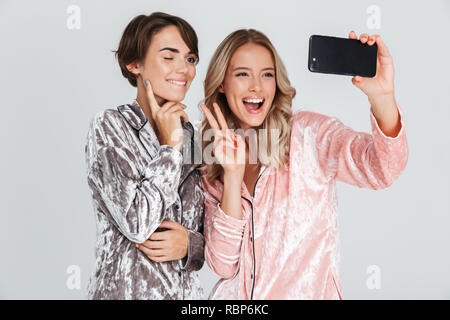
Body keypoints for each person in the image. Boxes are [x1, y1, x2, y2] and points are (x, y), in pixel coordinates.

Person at [199, 29, 408, 299]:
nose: (257, 87)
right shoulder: (213, 164)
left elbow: (382, 169)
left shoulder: (308, 134)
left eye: (267, 74)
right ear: (221, 83)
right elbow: (223, 266)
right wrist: (233, 176)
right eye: (242, 74)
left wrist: (382, 98)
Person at [85, 12, 205, 300]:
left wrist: (191, 245)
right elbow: (137, 224)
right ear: (134, 64)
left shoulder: (195, 137)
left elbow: (207, 229)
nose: (184, 70)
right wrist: (169, 148)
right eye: (169, 57)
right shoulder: (109, 126)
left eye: (190, 59)